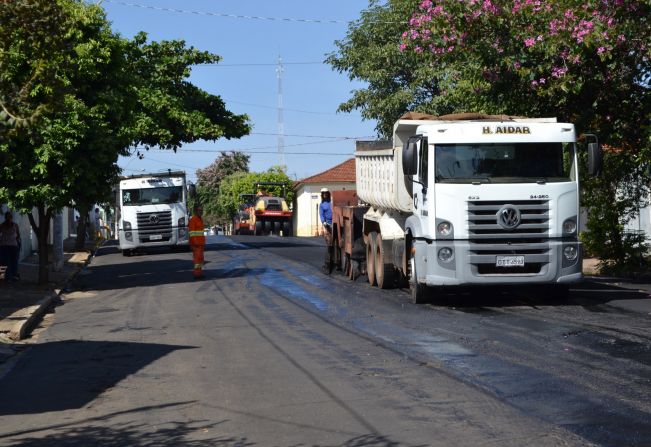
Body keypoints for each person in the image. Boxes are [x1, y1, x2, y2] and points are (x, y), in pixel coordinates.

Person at [0, 211, 21, 281]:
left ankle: (6, 277)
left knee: (5, 262)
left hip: (6, 246)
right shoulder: (13, 225)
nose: (9, 218)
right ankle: (11, 276)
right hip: (10, 246)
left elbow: (18, 236)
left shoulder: (3, 225)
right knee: (12, 262)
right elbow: (18, 236)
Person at [188, 205, 206, 279]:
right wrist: (195, 243)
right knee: (197, 259)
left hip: (200, 243)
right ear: (196, 211)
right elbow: (192, 233)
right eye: (199, 210)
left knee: (200, 259)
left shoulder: (200, 219)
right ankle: (197, 274)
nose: (201, 212)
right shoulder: (193, 220)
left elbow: (200, 233)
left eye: (201, 210)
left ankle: (199, 273)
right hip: (196, 244)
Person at [319, 188, 334, 274]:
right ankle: (328, 265)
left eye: (326, 193)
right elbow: (321, 215)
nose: (325, 195)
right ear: (322, 195)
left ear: (328, 194)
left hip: (335, 224)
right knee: (329, 245)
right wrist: (323, 222)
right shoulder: (322, 205)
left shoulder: (332, 202)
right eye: (323, 194)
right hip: (328, 226)